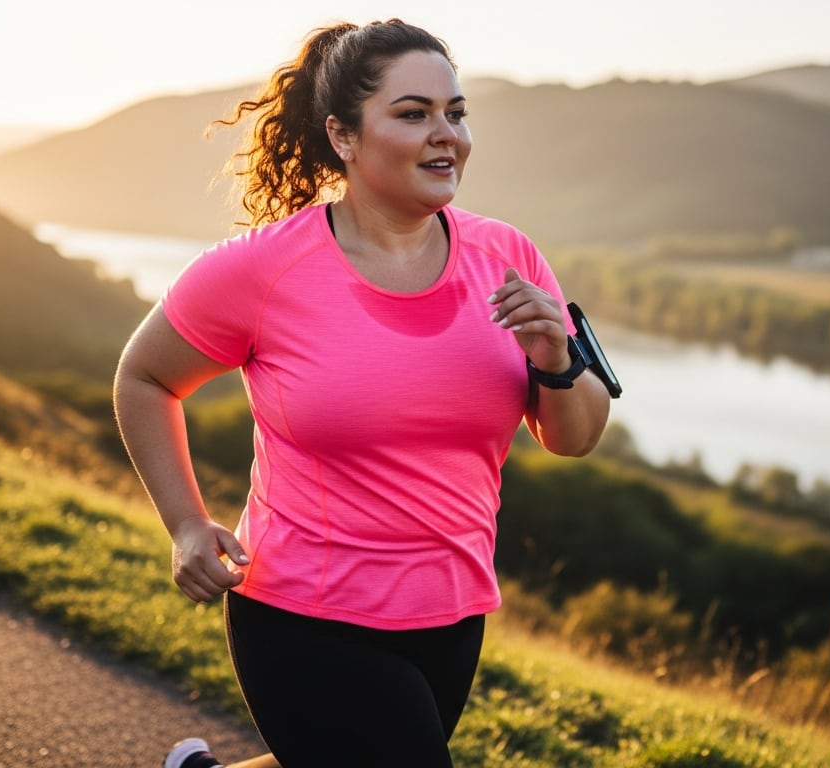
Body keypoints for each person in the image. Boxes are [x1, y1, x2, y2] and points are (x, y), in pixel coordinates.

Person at [112, 18, 612, 768]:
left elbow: (574, 437)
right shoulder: (264, 269)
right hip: (302, 615)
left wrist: (554, 357)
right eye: (413, 114)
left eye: (456, 112)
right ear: (343, 137)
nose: (446, 135)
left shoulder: (507, 256)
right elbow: (144, 376)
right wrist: (186, 524)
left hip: (452, 613)